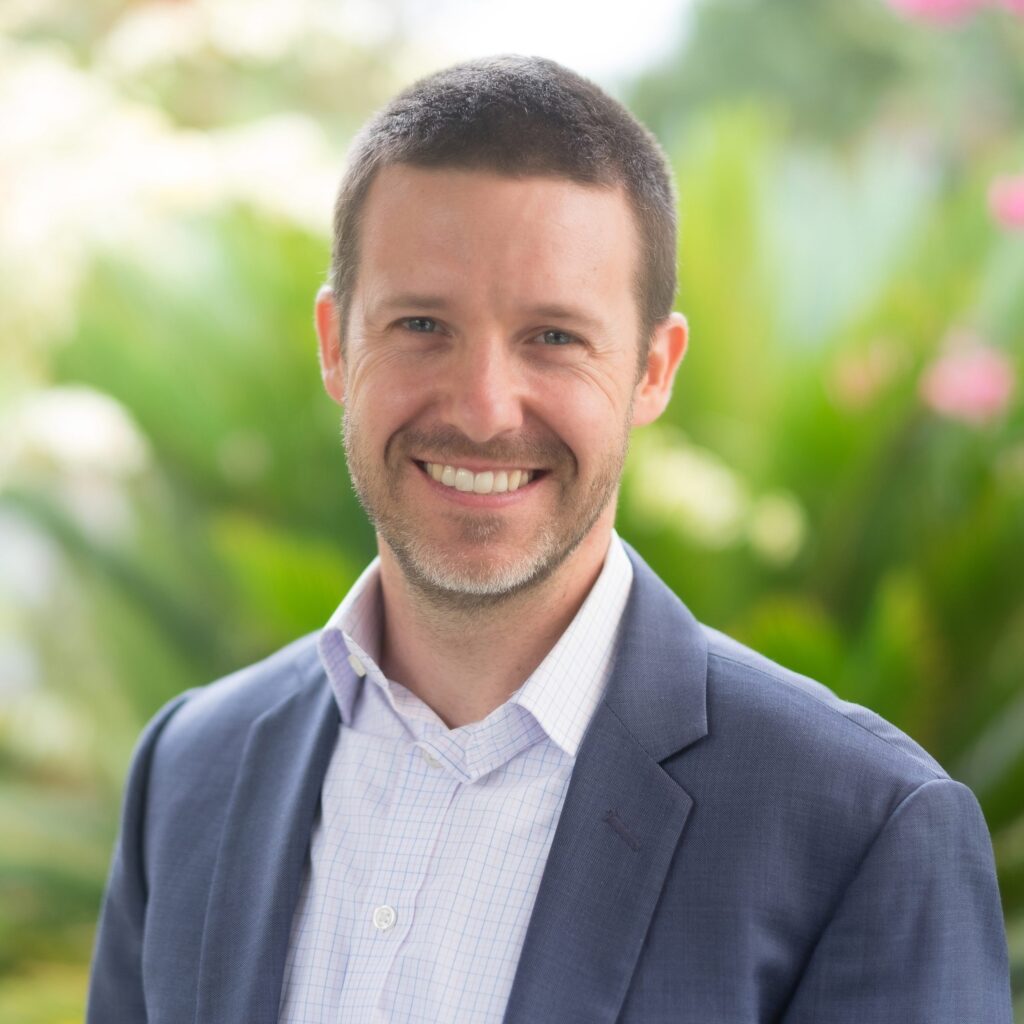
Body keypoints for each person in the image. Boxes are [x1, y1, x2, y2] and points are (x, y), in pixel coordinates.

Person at [86, 55, 1012, 1024]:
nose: (484, 408)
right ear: (334, 344)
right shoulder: (189, 769)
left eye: (555, 337)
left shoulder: (864, 829)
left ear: (653, 369)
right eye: (421, 324)